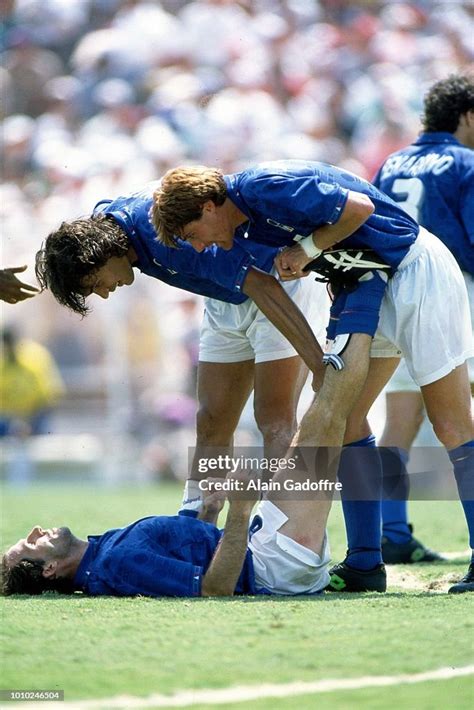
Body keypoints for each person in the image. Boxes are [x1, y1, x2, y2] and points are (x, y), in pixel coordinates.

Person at [153, 158, 474, 594]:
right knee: (344, 419)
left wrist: (306, 251)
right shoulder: (242, 230)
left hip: (415, 270)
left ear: (209, 207)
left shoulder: (263, 187)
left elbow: (358, 208)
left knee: (451, 422)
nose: (195, 247)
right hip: (367, 285)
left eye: (192, 234)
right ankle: (365, 562)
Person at [35, 182, 328, 514]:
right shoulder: (107, 226)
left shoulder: (170, 240)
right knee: (211, 420)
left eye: (94, 284)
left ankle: (289, 536)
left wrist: (318, 363)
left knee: (275, 420)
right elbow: (78, 236)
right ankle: (195, 528)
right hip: (225, 296)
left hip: (276, 285)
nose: (103, 293)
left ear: (99, 254)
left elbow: (261, 285)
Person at [372, 74, 474, 569]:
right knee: (460, 422)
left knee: (398, 426)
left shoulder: (391, 162)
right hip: (454, 293)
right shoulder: (466, 163)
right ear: (468, 116)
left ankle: (390, 532)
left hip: (395, 299)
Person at [2, 467, 333, 598]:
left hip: (258, 553)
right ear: (49, 569)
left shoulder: (104, 553)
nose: (34, 532)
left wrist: (210, 512)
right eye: (29, 545)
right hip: (270, 565)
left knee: (327, 422)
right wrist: (240, 511)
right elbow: (214, 589)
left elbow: (195, 557)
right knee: (325, 425)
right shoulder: (118, 562)